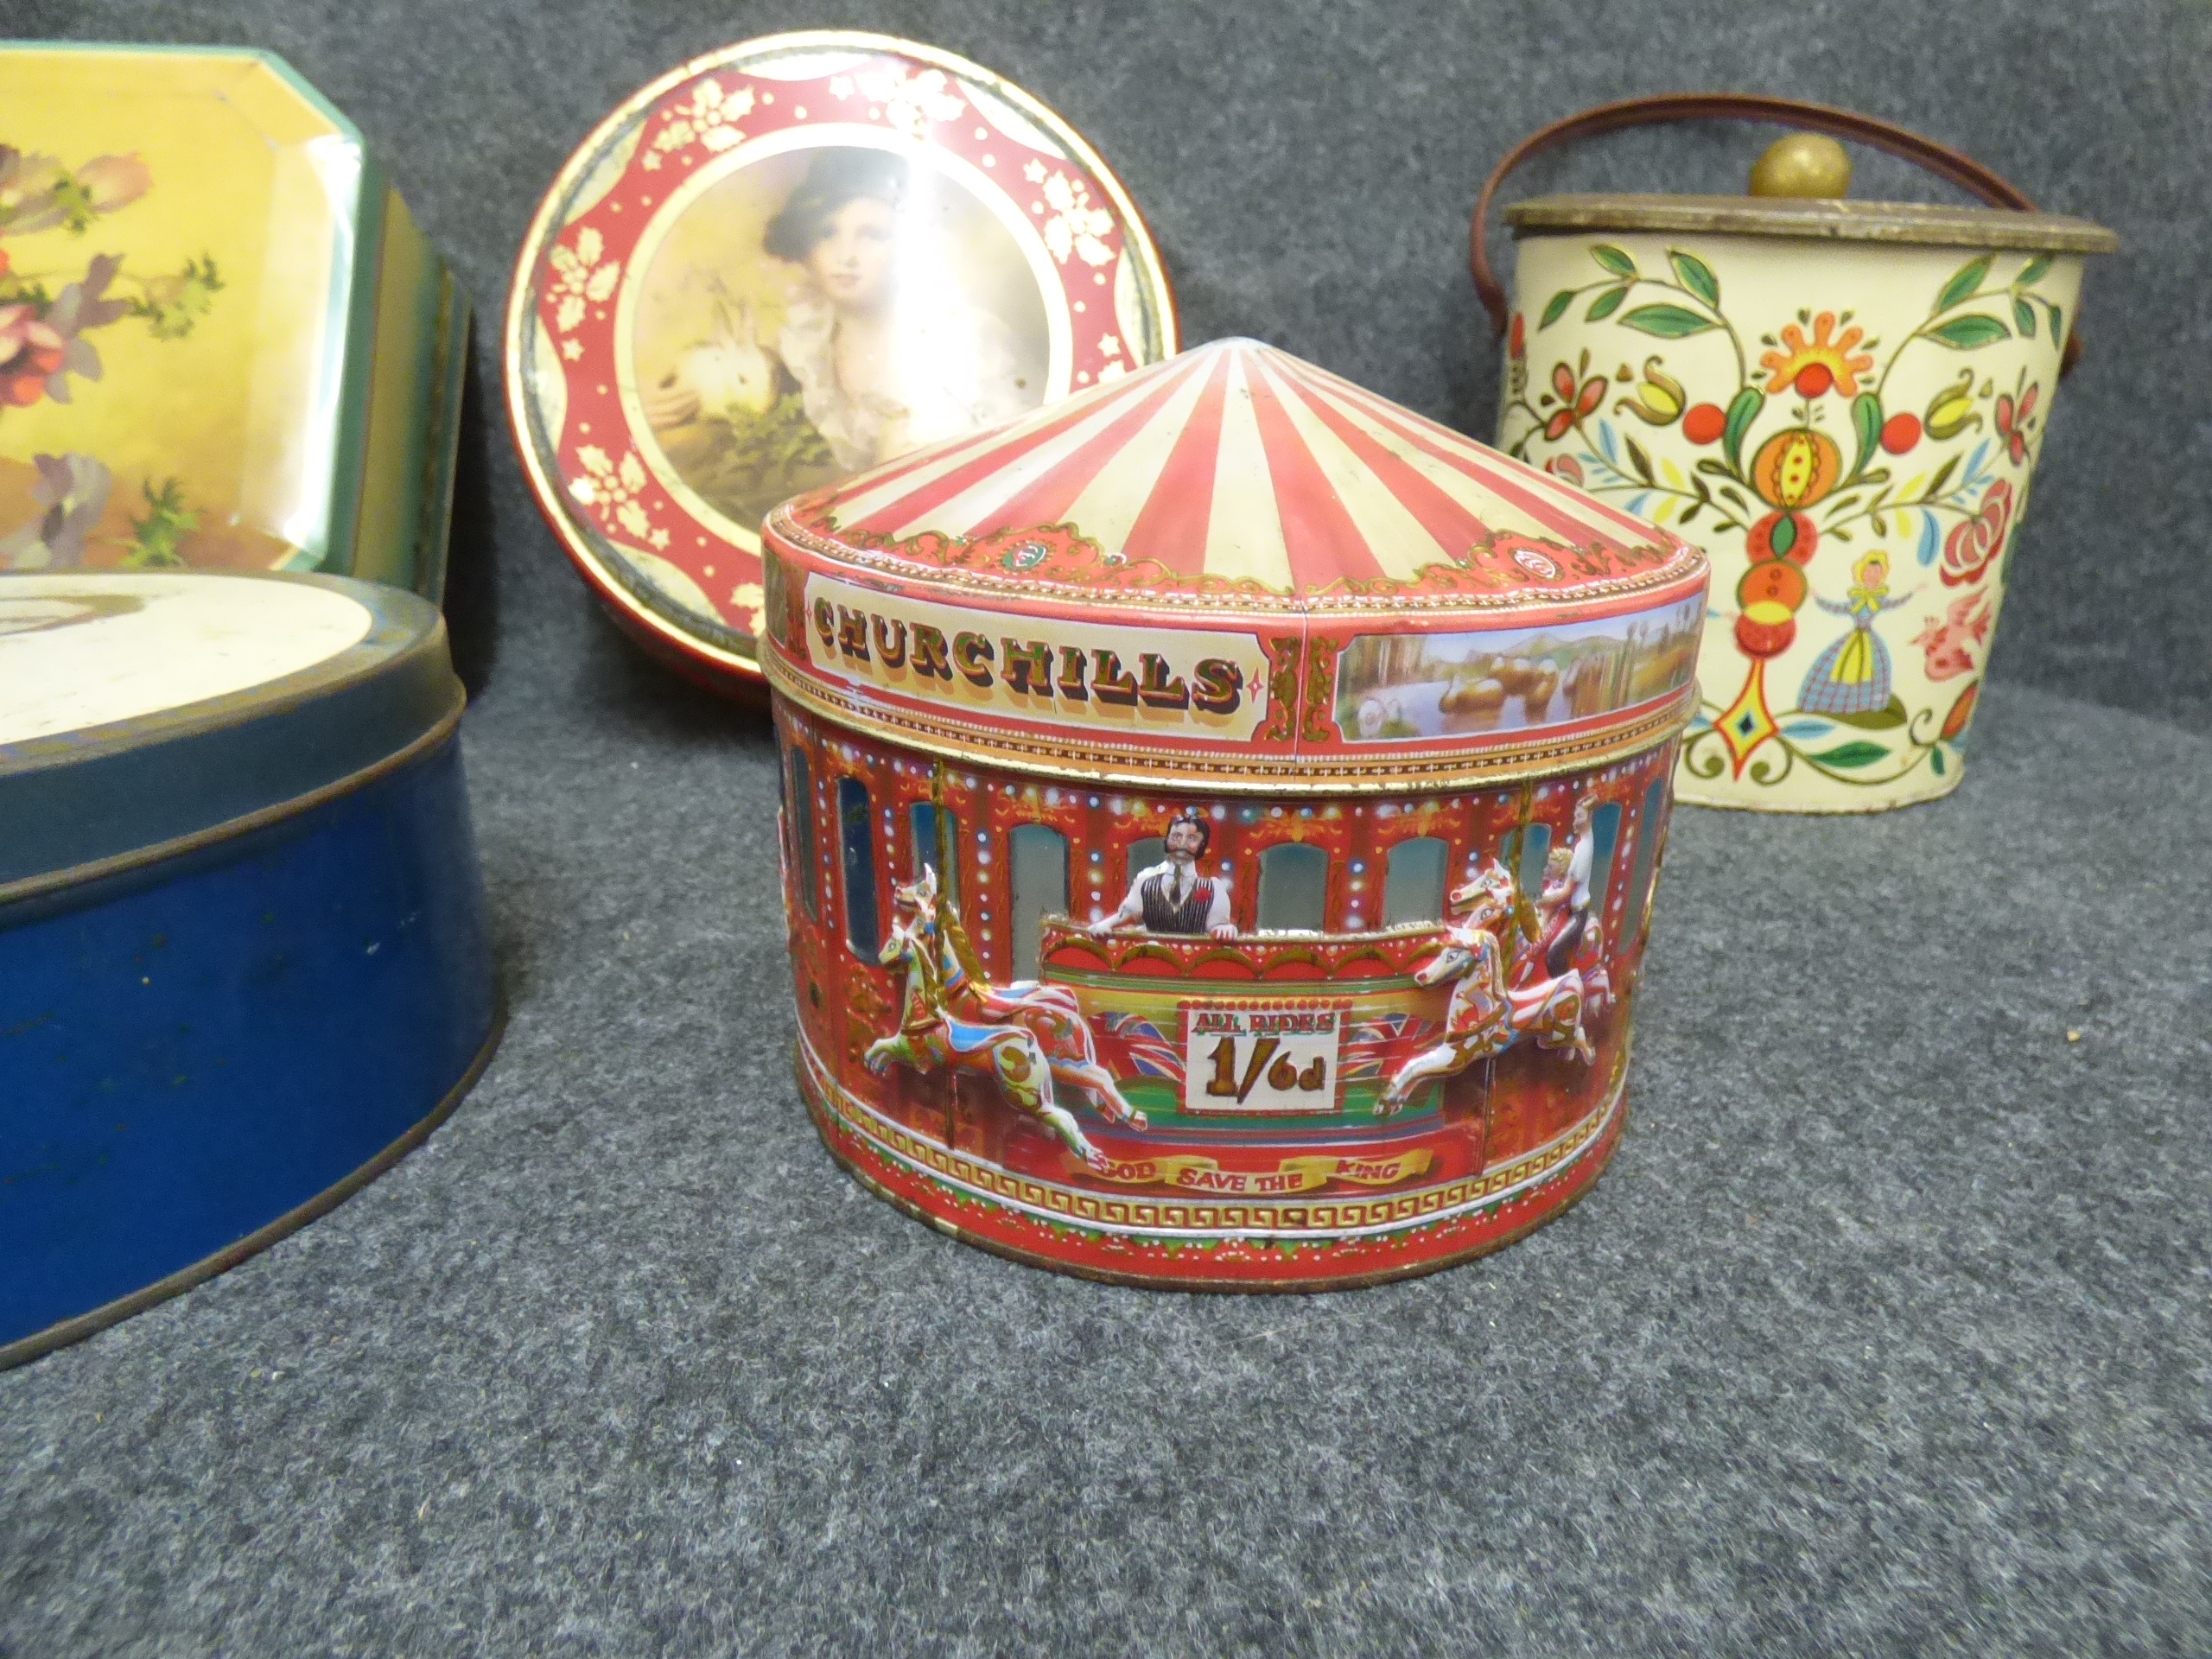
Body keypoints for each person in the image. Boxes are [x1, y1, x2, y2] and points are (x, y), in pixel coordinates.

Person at [642, 149, 1030, 480]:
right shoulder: (809, 344)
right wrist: (652, 410)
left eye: (872, 235)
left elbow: (1013, 465)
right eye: (827, 234)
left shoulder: (963, 341)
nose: (846, 256)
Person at [1093, 810, 1236, 940]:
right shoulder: (1146, 883)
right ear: (1167, 840)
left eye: (1191, 838)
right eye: (1176, 836)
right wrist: (1106, 924)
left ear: (1202, 845)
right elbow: (1128, 912)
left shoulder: (1214, 888)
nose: (1182, 843)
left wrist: (1224, 928)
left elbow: (1217, 925)